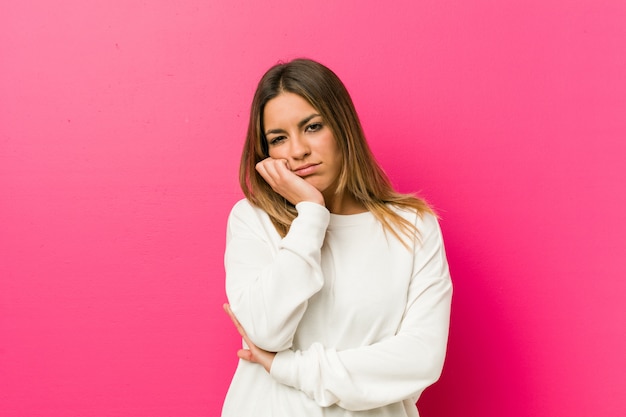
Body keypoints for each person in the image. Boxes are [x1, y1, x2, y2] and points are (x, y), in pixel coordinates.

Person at [222, 58, 452, 417]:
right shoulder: (253, 220)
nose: (297, 150)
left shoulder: (413, 226)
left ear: (343, 128)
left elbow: (420, 359)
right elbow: (266, 332)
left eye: (312, 127)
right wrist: (311, 213)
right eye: (278, 138)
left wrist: (287, 368)